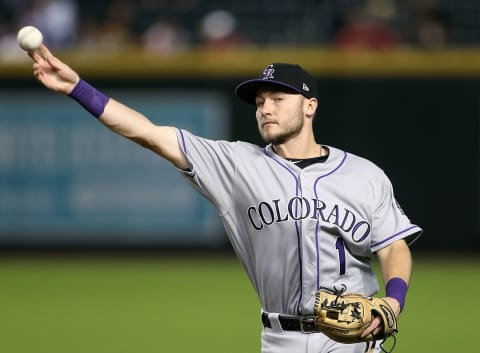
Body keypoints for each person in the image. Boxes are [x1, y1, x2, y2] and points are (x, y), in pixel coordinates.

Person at [27, 45, 422, 353]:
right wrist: (78, 88)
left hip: (353, 341)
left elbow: (392, 247)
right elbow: (148, 133)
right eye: (260, 101)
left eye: (277, 98)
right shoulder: (235, 164)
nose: (265, 108)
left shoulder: (364, 174)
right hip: (280, 338)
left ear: (309, 106)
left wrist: (393, 302)